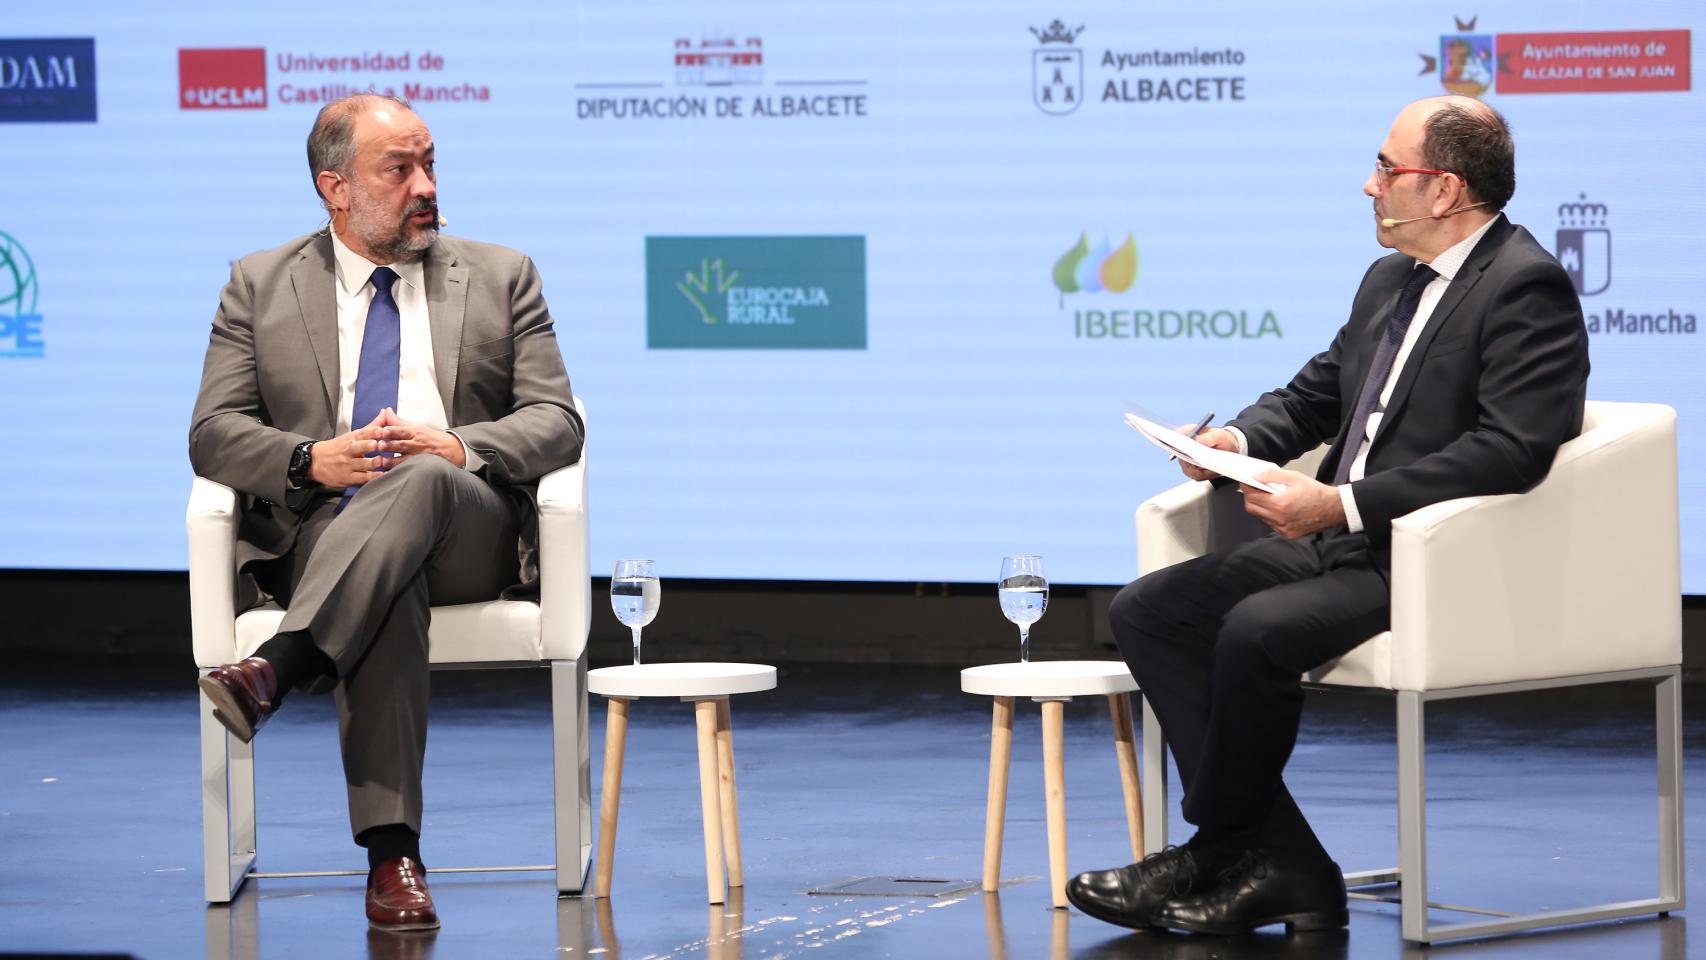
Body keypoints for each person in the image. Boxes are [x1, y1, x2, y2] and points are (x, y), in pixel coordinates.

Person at [1067, 96, 1590, 935]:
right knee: (1149, 611)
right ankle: (1278, 859)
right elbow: (1317, 393)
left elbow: (1511, 450)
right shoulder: (1391, 278)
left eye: (1387, 169)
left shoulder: (1525, 285)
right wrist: (1233, 439)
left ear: (1444, 189)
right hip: (1338, 543)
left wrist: (1341, 503)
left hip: (1422, 558)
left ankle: (1226, 853)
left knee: (1255, 630)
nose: (1368, 185)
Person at [189, 93, 582, 932]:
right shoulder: (258, 286)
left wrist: (457, 446)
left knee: (419, 480)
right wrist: (308, 459)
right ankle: (393, 859)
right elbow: (213, 434)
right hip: (325, 533)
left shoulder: (503, 273)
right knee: (382, 583)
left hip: (463, 526)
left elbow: (558, 420)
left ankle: (283, 665)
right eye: (397, 169)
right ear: (336, 188)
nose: (424, 186)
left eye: (430, 164)